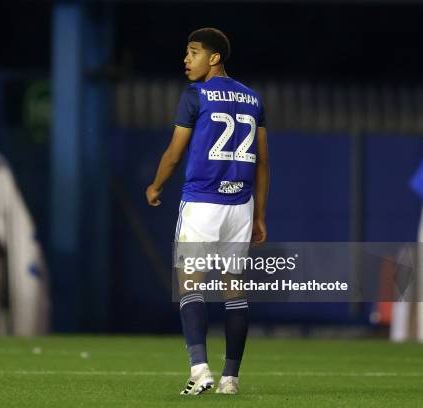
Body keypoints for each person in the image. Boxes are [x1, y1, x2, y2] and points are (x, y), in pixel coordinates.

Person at [145, 27, 269, 395]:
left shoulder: (195, 94)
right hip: (241, 205)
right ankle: (231, 378)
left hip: (202, 202)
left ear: (214, 57)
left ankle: (200, 369)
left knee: (190, 284)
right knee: (235, 289)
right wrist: (259, 214)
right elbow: (263, 162)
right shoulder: (253, 98)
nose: (187, 59)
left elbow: (174, 152)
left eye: (193, 52)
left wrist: (155, 186)